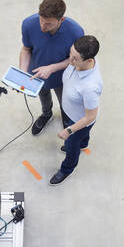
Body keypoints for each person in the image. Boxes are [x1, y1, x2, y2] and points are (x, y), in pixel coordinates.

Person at [19, 0, 84, 135]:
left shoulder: (76, 32)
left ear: (62, 19)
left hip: (63, 78)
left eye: (48, 24)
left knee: (65, 103)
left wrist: (52, 68)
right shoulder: (28, 24)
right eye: (41, 20)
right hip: (36, 74)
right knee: (44, 98)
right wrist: (23, 73)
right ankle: (46, 114)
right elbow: (26, 49)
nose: (43, 26)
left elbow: (76, 60)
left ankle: (67, 121)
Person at [49, 35, 103, 185]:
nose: (70, 61)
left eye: (74, 59)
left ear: (88, 60)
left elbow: (90, 117)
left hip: (78, 121)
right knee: (82, 139)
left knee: (72, 146)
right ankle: (84, 143)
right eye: (70, 54)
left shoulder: (90, 87)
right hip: (70, 111)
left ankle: (66, 169)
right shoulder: (78, 62)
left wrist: (69, 131)